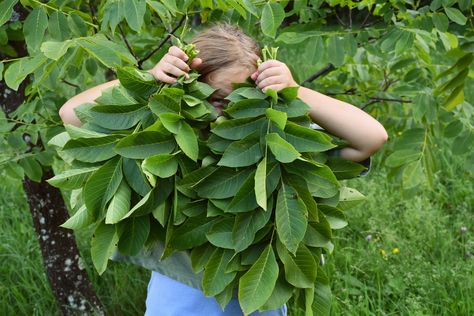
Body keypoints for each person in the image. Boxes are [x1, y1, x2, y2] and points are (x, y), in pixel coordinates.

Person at [59, 23, 388, 316]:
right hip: (180, 297)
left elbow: (371, 137)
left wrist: (295, 91)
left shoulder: (276, 146)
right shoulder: (164, 137)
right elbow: (72, 113)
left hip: (259, 298)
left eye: (241, 98)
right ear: (184, 88)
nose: (225, 112)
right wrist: (148, 81)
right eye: (214, 98)